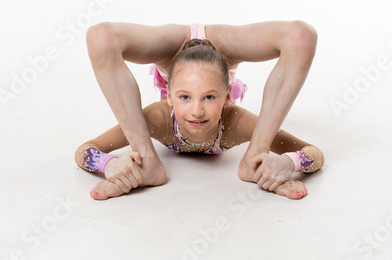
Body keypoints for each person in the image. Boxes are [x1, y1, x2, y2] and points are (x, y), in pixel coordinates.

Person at [76, 22, 324, 200]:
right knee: (100, 36)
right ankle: (147, 162)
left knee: (301, 36)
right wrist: (108, 164)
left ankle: (254, 160)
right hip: (171, 49)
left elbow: (314, 153)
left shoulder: (235, 122)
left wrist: (286, 162)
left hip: (223, 48)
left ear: (227, 97)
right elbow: (85, 150)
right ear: (170, 97)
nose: (197, 110)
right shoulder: (157, 118)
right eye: (185, 97)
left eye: (209, 97)